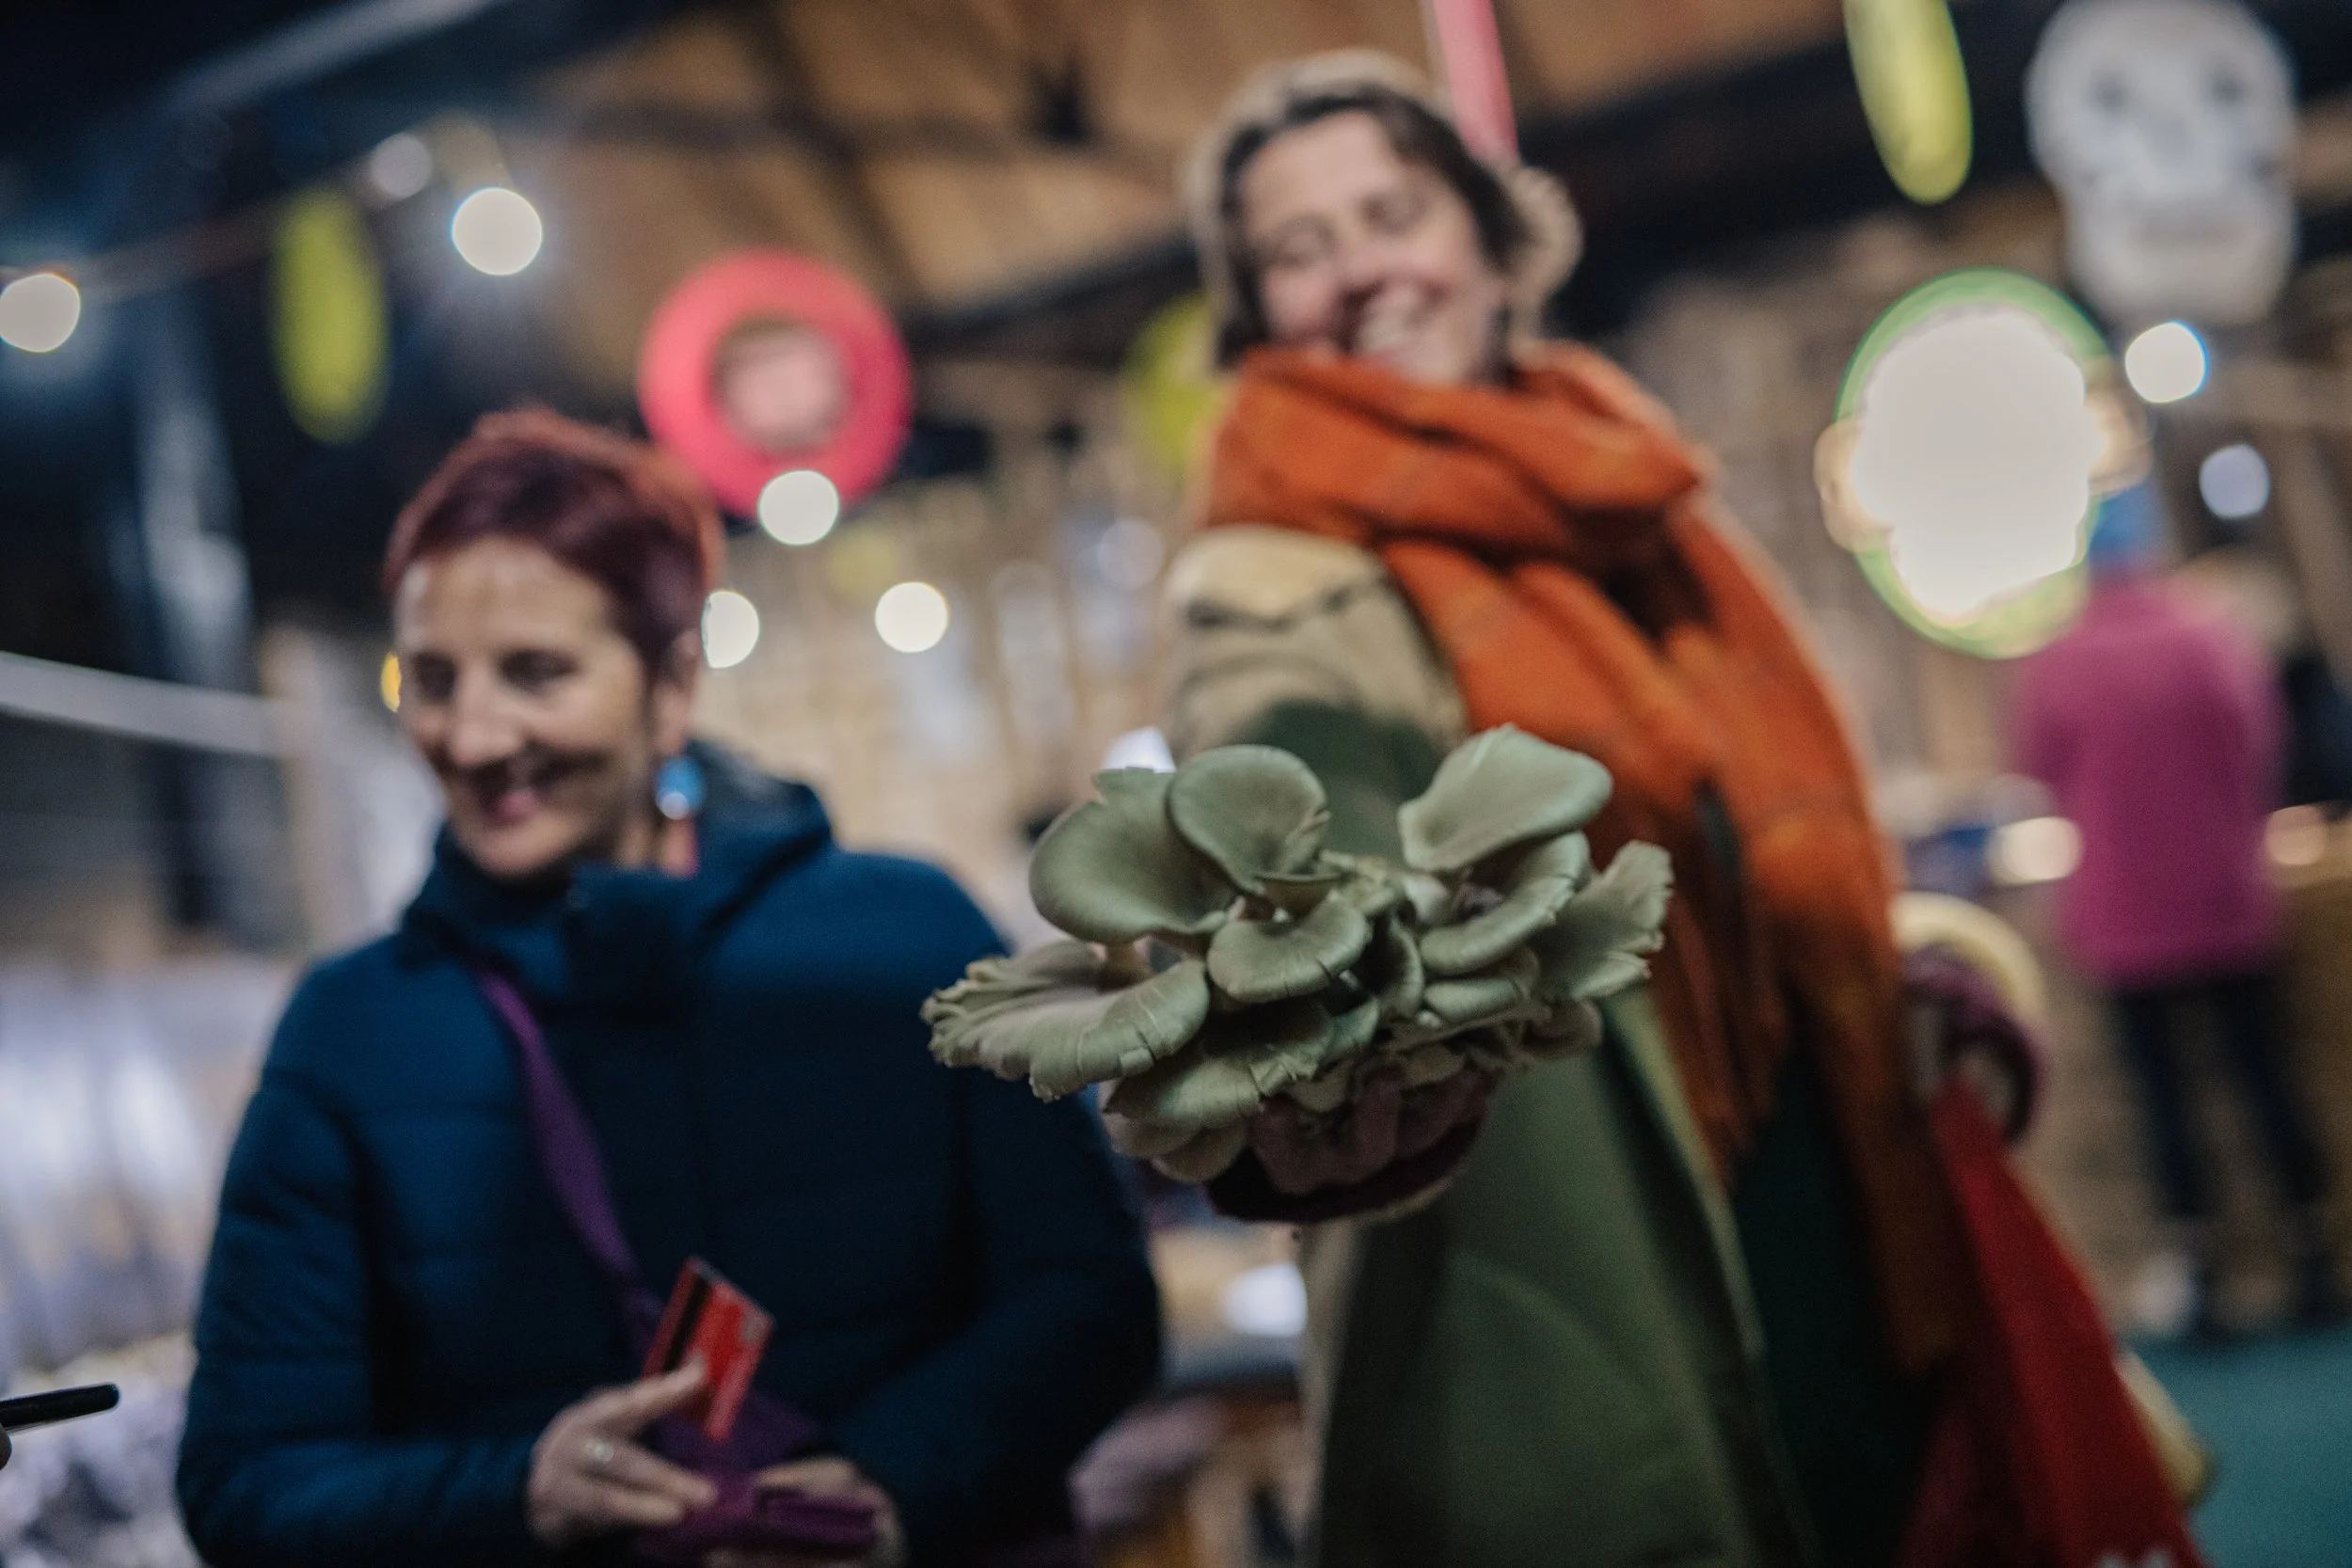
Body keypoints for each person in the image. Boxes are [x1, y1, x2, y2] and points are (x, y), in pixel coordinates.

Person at [1157, 53, 2162, 1568]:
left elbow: (1749, 856)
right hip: (1567, 1265)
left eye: (1393, 212)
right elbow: (1287, 829)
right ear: (1257, 321)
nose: (1361, 268)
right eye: (1300, 250)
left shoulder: (1639, 505)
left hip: (1824, 1193)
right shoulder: (1269, 582)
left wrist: (1900, 981)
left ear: (1494, 246)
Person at [177, 410, 1161, 1567]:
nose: (476, 733)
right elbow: (249, 1480)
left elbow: (1088, 1299)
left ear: (672, 681)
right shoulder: (352, 1032)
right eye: (432, 679)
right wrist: (518, 1489)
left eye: (535, 671)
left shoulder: (907, 933)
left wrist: (892, 1482)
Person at [2014, 507, 2341, 1335]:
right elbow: (2262, 740)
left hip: (2123, 912)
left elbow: (2036, 768)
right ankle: (2311, 1255)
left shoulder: (2058, 662)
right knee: (2264, 1076)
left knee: (2163, 1096)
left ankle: (2199, 1269)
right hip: (2226, 895)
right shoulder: (2209, 639)